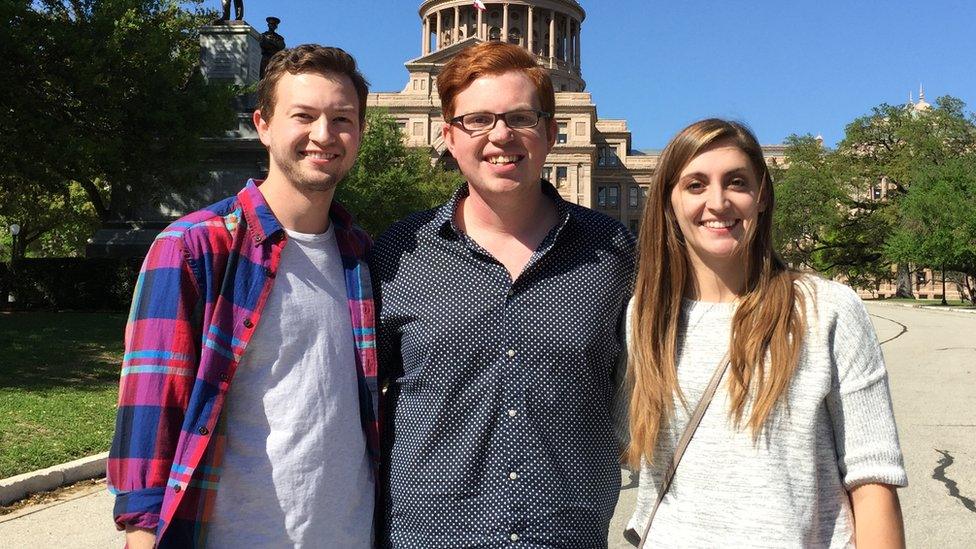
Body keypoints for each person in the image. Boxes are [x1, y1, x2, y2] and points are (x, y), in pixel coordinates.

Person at [107, 45, 378, 548]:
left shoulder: (362, 256)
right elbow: (150, 404)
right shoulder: (192, 246)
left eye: (342, 118)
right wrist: (142, 534)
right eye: (304, 116)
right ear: (264, 124)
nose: (324, 135)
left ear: (360, 132)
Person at [370, 41, 635, 547]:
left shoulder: (615, 251)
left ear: (552, 132)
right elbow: (350, 400)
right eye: (478, 120)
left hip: (564, 535)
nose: (500, 136)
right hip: (426, 536)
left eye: (521, 118)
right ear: (448, 135)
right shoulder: (397, 253)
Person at [624, 118, 907, 547]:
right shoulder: (646, 317)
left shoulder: (826, 310)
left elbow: (873, 481)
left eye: (736, 182)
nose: (717, 202)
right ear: (668, 202)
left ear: (761, 197)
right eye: (695, 185)